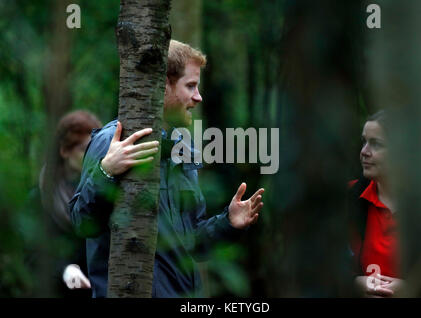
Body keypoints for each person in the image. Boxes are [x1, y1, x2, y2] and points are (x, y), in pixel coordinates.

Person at [69, 40, 265, 298]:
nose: (198, 97)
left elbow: (191, 243)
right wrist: (106, 172)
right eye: (191, 86)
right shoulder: (113, 141)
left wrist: (228, 223)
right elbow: (82, 223)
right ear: (162, 87)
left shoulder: (184, 147)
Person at [348, 110, 421, 297]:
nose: (364, 152)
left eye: (376, 144)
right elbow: (318, 267)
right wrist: (356, 283)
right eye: (364, 141)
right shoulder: (348, 197)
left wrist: (413, 289)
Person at [29, 110, 102, 297]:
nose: (91, 156)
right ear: (64, 150)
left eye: (96, 148)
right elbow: (32, 254)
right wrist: (65, 269)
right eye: (84, 149)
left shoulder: (102, 191)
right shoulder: (41, 197)